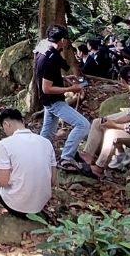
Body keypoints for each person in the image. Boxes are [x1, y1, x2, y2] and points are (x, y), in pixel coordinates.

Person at [35, 25, 90, 172]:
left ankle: (38, 157)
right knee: (83, 125)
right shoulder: (50, 59)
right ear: (62, 40)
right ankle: (67, 157)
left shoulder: (42, 48)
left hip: (47, 101)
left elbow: (45, 76)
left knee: (47, 132)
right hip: (53, 100)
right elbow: (46, 88)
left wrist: (64, 78)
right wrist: (71, 89)